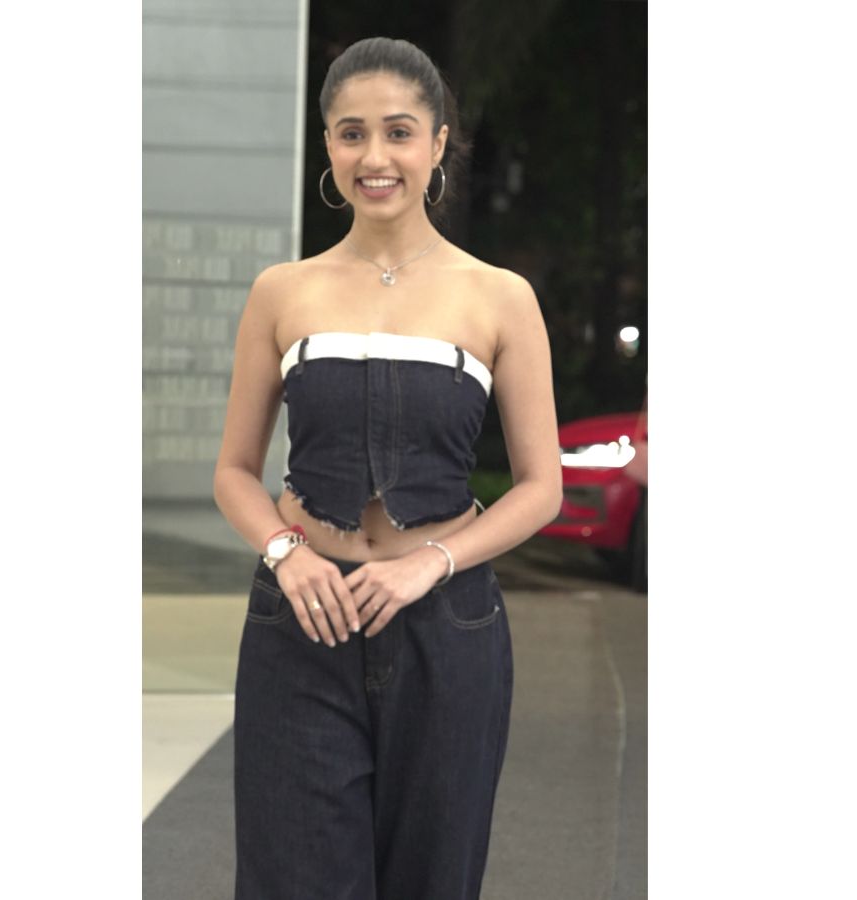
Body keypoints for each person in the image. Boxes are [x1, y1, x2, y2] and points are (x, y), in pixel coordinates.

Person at [212, 36, 562, 900]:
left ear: (438, 143)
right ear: (329, 147)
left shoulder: (500, 296)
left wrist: (430, 563)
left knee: (432, 880)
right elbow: (234, 471)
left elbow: (541, 487)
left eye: (399, 132)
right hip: (302, 625)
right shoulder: (281, 290)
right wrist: (287, 555)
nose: (376, 157)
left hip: (449, 629)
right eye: (352, 133)